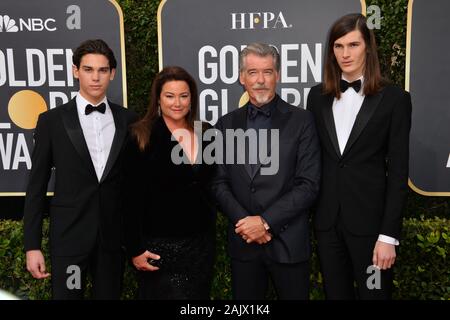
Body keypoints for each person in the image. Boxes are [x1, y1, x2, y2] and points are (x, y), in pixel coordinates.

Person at [306, 13, 412, 299]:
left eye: (353, 44)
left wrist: (388, 236)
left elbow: (399, 173)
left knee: (374, 296)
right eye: (338, 46)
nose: (345, 53)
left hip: (372, 229)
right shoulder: (317, 97)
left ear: (368, 47)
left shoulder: (394, 100)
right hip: (328, 226)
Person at [23, 39, 136, 299]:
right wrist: (32, 246)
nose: (95, 77)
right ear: (76, 71)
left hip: (111, 241)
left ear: (112, 73)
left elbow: (132, 188)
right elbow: (36, 186)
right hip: (69, 238)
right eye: (88, 69)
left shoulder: (128, 120)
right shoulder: (51, 121)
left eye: (102, 70)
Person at [212, 43, 321, 299]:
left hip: (288, 243)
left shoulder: (302, 121)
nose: (260, 80)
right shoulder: (224, 124)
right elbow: (218, 182)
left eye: (268, 72)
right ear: (241, 77)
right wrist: (247, 225)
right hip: (244, 245)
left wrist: (265, 222)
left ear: (278, 75)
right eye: (252, 72)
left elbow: (308, 184)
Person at [122, 66, 216, 300]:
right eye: (169, 96)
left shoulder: (206, 132)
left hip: (200, 245)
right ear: (158, 99)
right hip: (158, 249)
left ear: (191, 99)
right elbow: (129, 197)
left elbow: (214, 184)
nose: (177, 103)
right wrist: (135, 249)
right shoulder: (140, 135)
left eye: (183, 96)